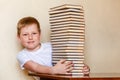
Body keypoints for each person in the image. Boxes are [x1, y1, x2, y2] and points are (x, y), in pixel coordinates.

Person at [16, 16, 90, 80]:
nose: (30, 37)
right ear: (19, 37)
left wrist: (80, 67)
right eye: (25, 34)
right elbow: (36, 67)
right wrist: (53, 70)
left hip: (66, 77)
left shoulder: (51, 46)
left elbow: (67, 58)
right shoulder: (22, 55)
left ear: (40, 34)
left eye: (34, 33)